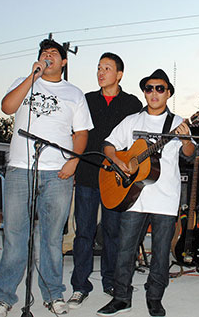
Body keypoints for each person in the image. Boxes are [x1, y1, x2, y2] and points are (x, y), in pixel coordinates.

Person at [0, 39, 93, 317]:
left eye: (53, 54)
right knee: (14, 235)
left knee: (51, 237)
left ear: (64, 62)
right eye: (44, 54)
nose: (48, 56)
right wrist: (31, 77)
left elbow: (81, 133)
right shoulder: (23, 81)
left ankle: (53, 294)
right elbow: (7, 107)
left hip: (57, 172)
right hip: (21, 169)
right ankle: (3, 296)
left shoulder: (74, 93)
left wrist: (73, 161)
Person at [96, 69, 195, 317]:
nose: (154, 93)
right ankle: (121, 297)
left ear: (168, 93)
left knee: (161, 253)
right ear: (144, 92)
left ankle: (154, 298)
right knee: (125, 249)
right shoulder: (133, 120)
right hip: (133, 198)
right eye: (149, 88)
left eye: (159, 88)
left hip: (165, 198)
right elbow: (108, 144)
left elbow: (191, 153)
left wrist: (184, 141)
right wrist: (118, 161)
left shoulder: (177, 122)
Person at [68, 53, 142, 309]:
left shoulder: (132, 104)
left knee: (113, 233)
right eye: (99, 68)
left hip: (116, 180)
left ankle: (111, 281)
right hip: (88, 175)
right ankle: (80, 285)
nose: (101, 72)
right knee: (84, 233)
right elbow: (77, 133)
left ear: (119, 74)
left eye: (107, 68)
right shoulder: (86, 100)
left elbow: (134, 142)